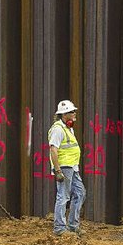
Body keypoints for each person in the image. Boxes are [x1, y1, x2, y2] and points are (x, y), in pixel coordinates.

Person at [48, 100, 86, 236]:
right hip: (64, 167)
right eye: (71, 111)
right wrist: (57, 170)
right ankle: (59, 228)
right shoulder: (58, 129)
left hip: (72, 167)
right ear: (64, 115)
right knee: (63, 196)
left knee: (80, 193)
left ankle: (73, 226)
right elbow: (53, 149)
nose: (74, 113)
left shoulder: (68, 128)